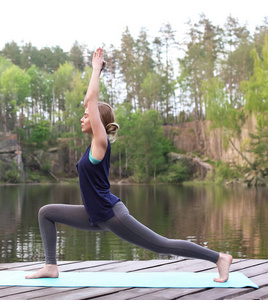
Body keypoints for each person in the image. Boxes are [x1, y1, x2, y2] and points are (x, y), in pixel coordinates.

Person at [25, 47, 233, 282]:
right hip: (95, 215)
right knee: (46, 213)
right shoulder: (91, 147)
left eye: (86, 115)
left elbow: (90, 100)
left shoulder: (100, 142)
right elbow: (90, 103)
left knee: (161, 245)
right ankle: (51, 266)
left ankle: (219, 258)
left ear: (97, 121)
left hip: (112, 215)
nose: (82, 118)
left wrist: (95, 70)